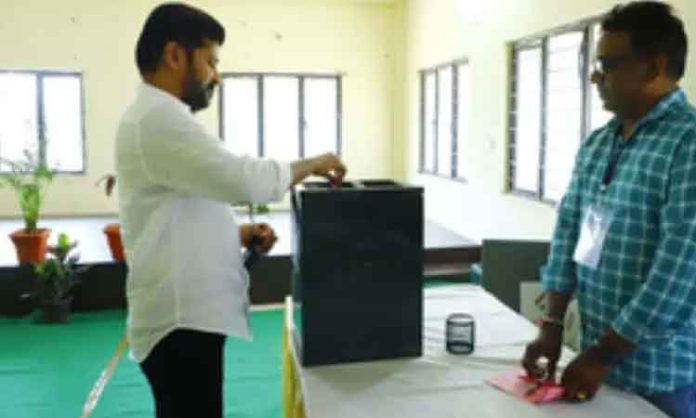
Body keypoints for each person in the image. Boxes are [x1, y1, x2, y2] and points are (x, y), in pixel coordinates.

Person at [115, 3, 346, 417]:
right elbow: (241, 178)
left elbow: (182, 205)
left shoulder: (158, 118)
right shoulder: (157, 119)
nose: (215, 75)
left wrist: (236, 235)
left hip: (186, 321)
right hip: (180, 324)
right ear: (174, 55)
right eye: (210, 61)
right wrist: (312, 163)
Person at [522, 2, 696, 417]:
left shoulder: (687, 143)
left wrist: (603, 354)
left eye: (606, 64)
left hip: (660, 376)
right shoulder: (600, 142)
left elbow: (679, 270)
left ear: (654, 67)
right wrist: (552, 324)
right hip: (597, 363)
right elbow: (568, 231)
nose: (594, 77)